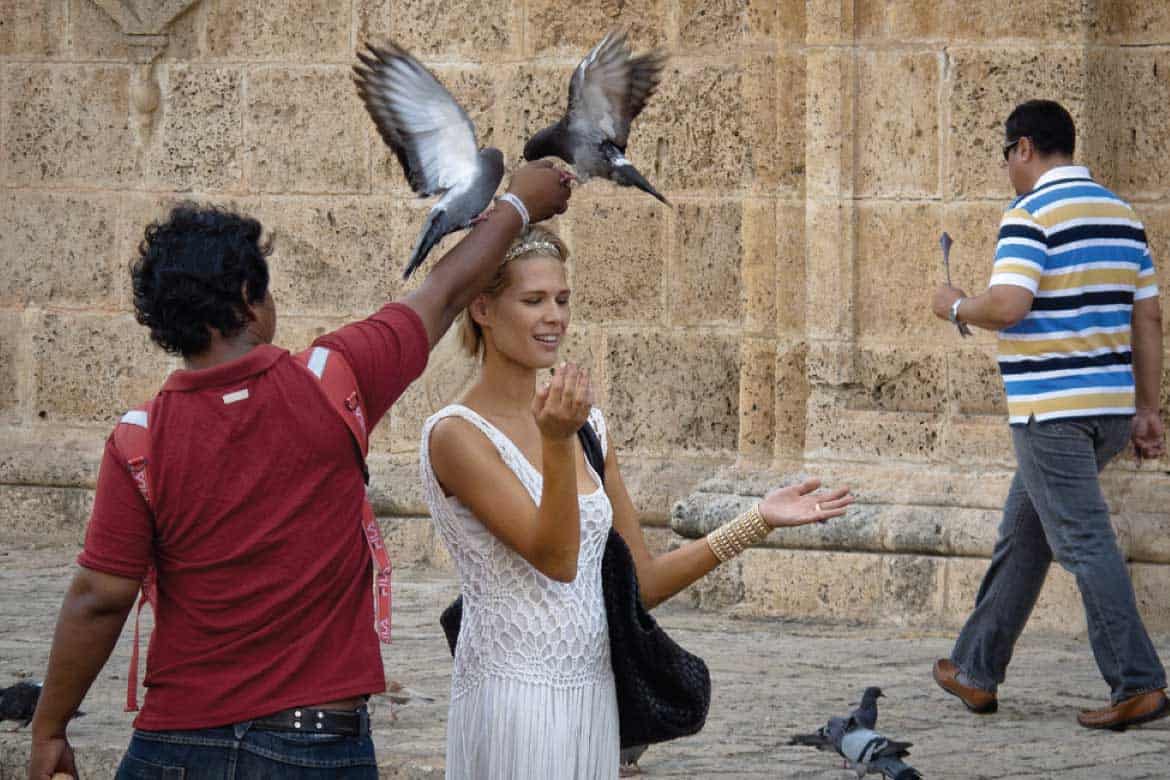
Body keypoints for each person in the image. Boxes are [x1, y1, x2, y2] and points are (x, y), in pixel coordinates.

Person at [26, 161, 573, 780]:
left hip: (175, 745)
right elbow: (446, 292)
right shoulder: (333, 380)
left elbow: (99, 598)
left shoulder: (138, 439)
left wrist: (50, 729)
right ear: (248, 300)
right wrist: (519, 205)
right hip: (316, 744)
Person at [420, 225, 854, 779]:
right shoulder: (457, 435)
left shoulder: (587, 429)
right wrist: (556, 441)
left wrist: (756, 521)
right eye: (533, 301)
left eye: (562, 299)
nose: (554, 317)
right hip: (513, 697)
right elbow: (555, 558)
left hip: (593, 697)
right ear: (482, 308)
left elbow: (640, 583)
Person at [930, 99, 1167, 730]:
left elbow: (1008, 305)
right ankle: (975, 669)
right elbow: (1148, 318)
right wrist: (1148, 409)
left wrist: (955, 305)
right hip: (1108, 412)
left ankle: (1138, 683)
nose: (1008, 168)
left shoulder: (1029, 214)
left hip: (1051, 413)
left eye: (1006, 155)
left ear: (1025, 148)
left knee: (1084, 543)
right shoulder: (1123, 215)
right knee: (1025, 535)